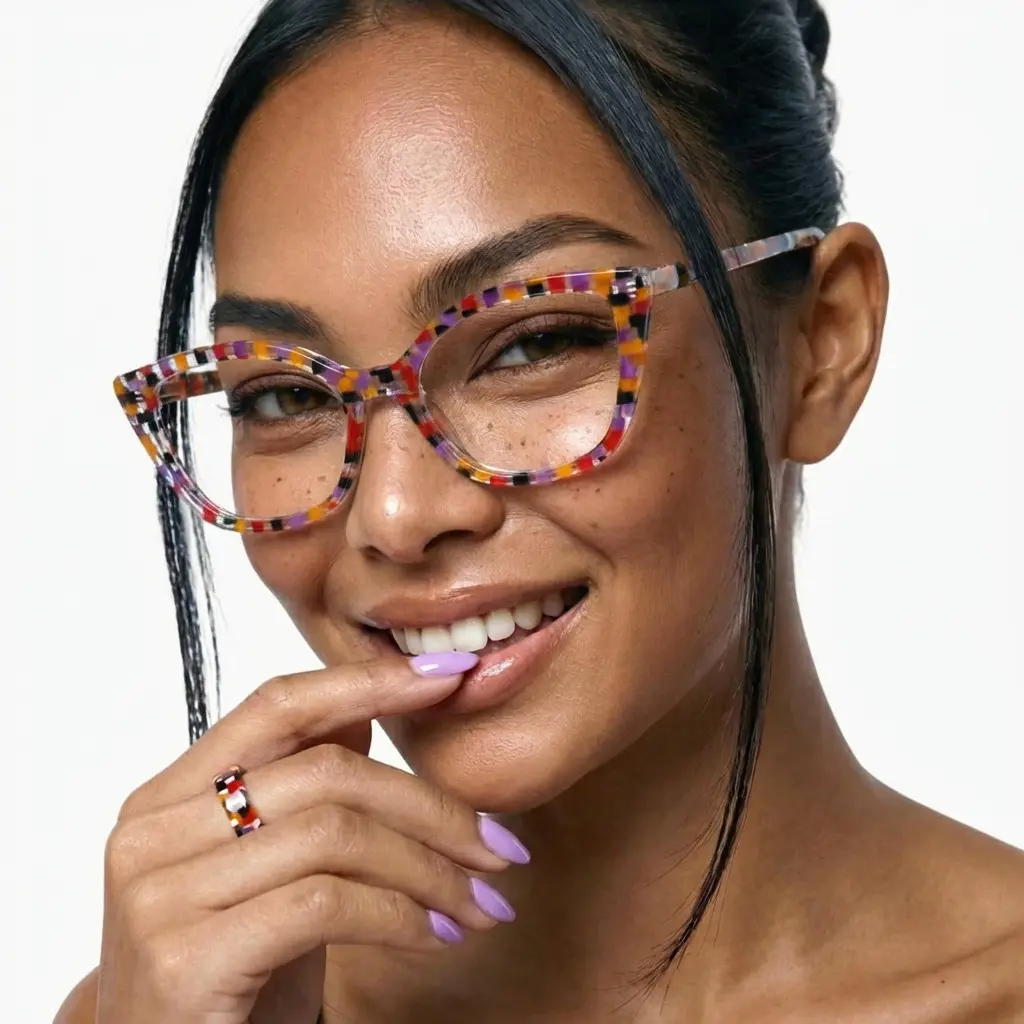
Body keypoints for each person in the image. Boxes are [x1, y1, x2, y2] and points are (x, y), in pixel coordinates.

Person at [57, 1, 1024, 1021]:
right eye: (285, 395)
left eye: (533, 343)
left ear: (822, 345)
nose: (391, 512)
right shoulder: (195, 1005)